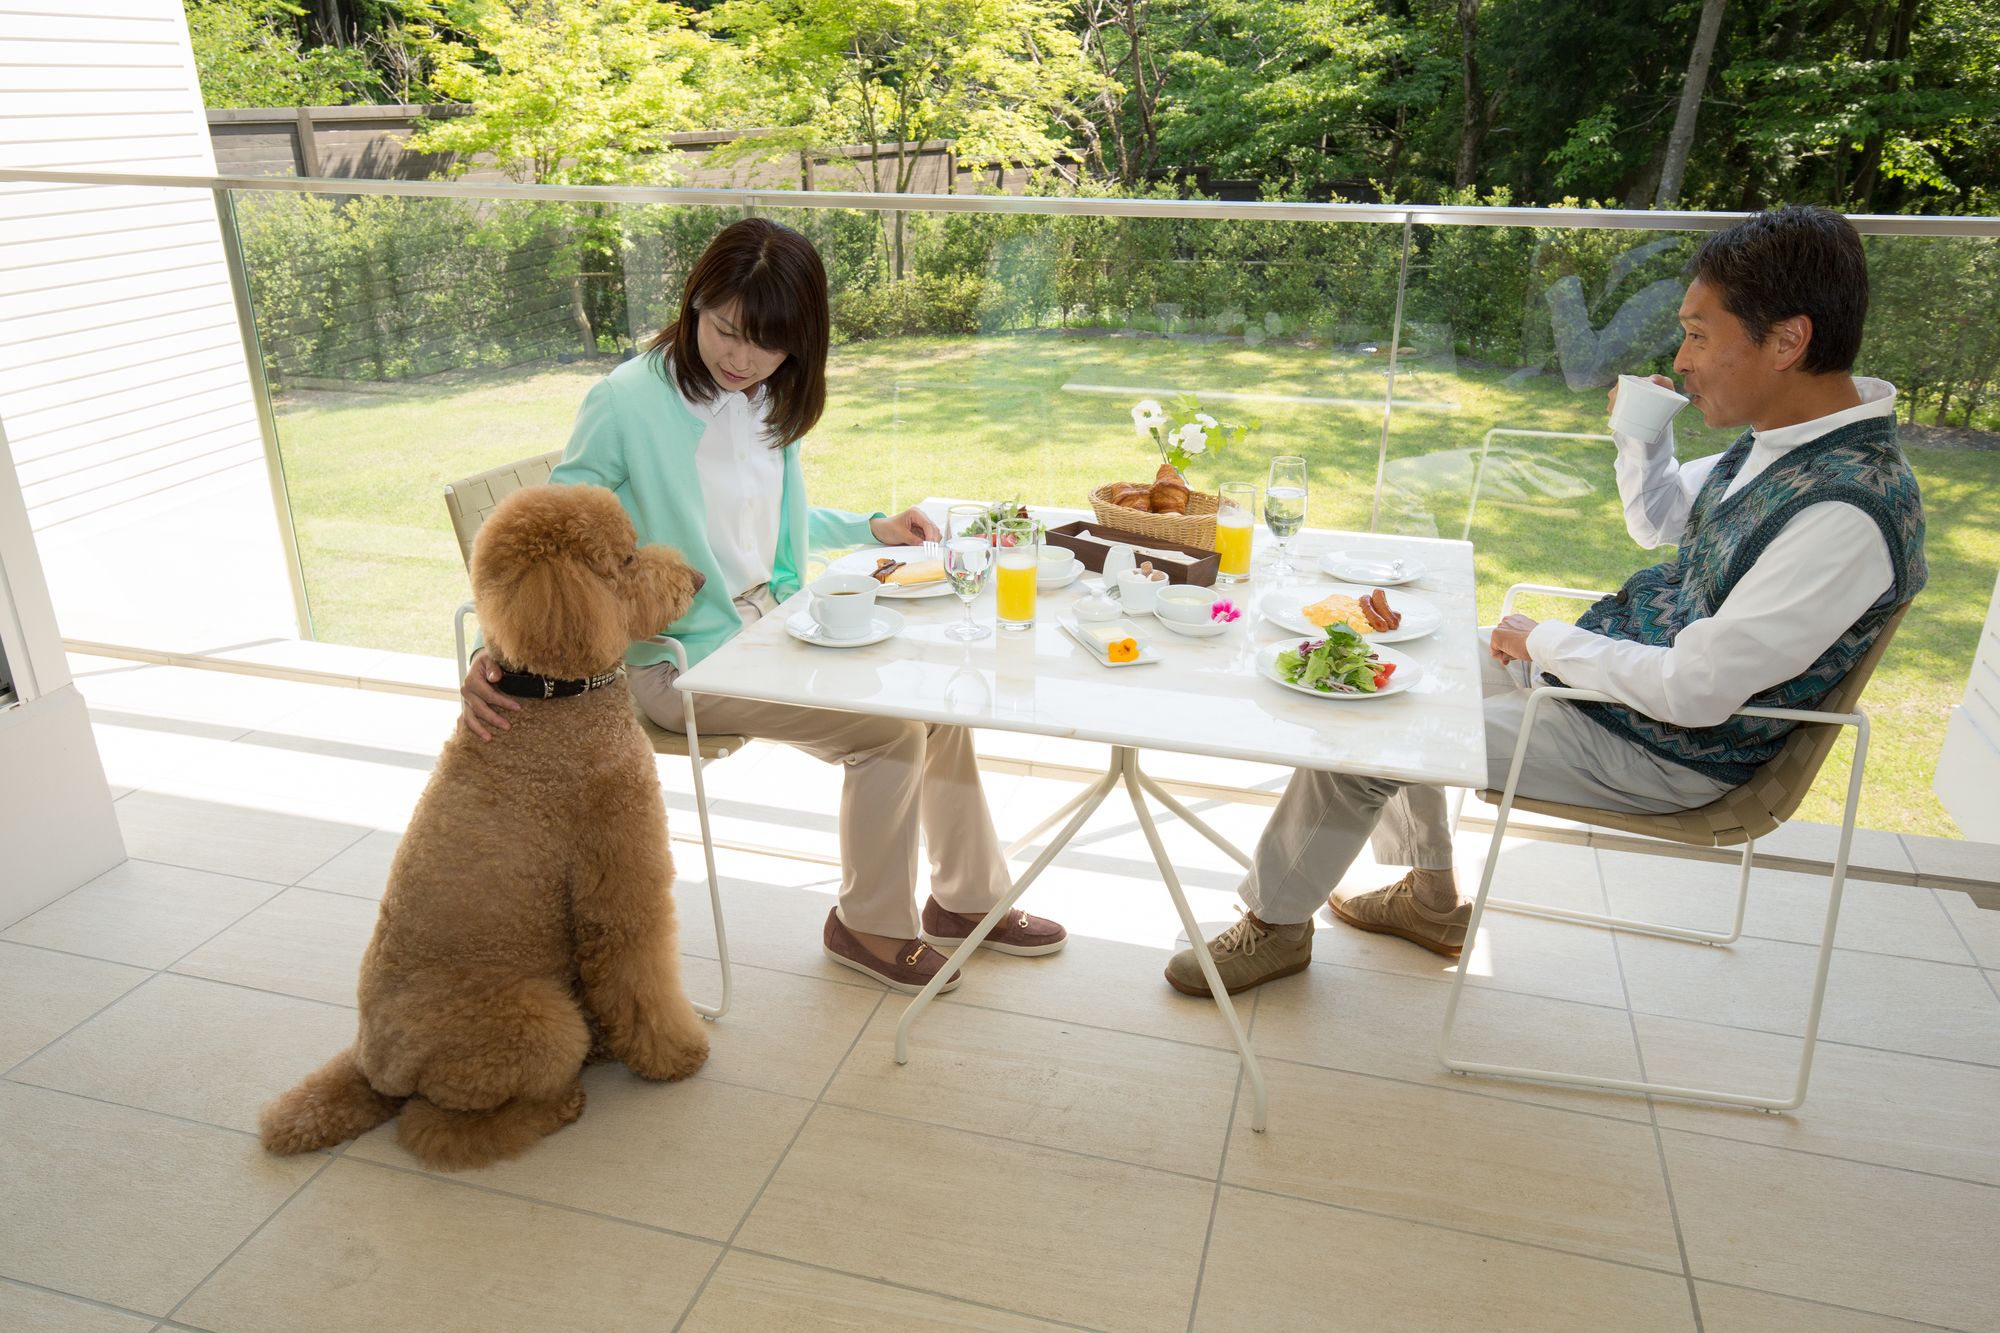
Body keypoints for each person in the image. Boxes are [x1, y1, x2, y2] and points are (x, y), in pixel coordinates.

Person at [1166, 204, 1926, 996]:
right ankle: (1427, 898)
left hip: (1663, 749)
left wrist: (1546, 644)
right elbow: (1661, 520)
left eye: (1700, 333)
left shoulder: (1842, 510)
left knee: (1371, 730)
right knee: (1398, 665)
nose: (1684, 356)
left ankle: (1275, 927)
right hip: (1615, 692)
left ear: (1787, 340)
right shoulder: (1787, 444)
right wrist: (1644, 434)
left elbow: (1698, 691)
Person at [460, 218, 1065, 994]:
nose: (741, 358)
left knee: (938, 705)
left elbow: (753, 524)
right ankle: (868, 925)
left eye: (768, 344)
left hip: (774, 626)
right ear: (695, 304)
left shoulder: (765, 401)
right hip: (679, 665)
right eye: (725, 330)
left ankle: (965, 901)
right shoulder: (626, 401)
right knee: (889, 734)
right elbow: (545, 536)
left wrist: (869, 529)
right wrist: (496, 648)